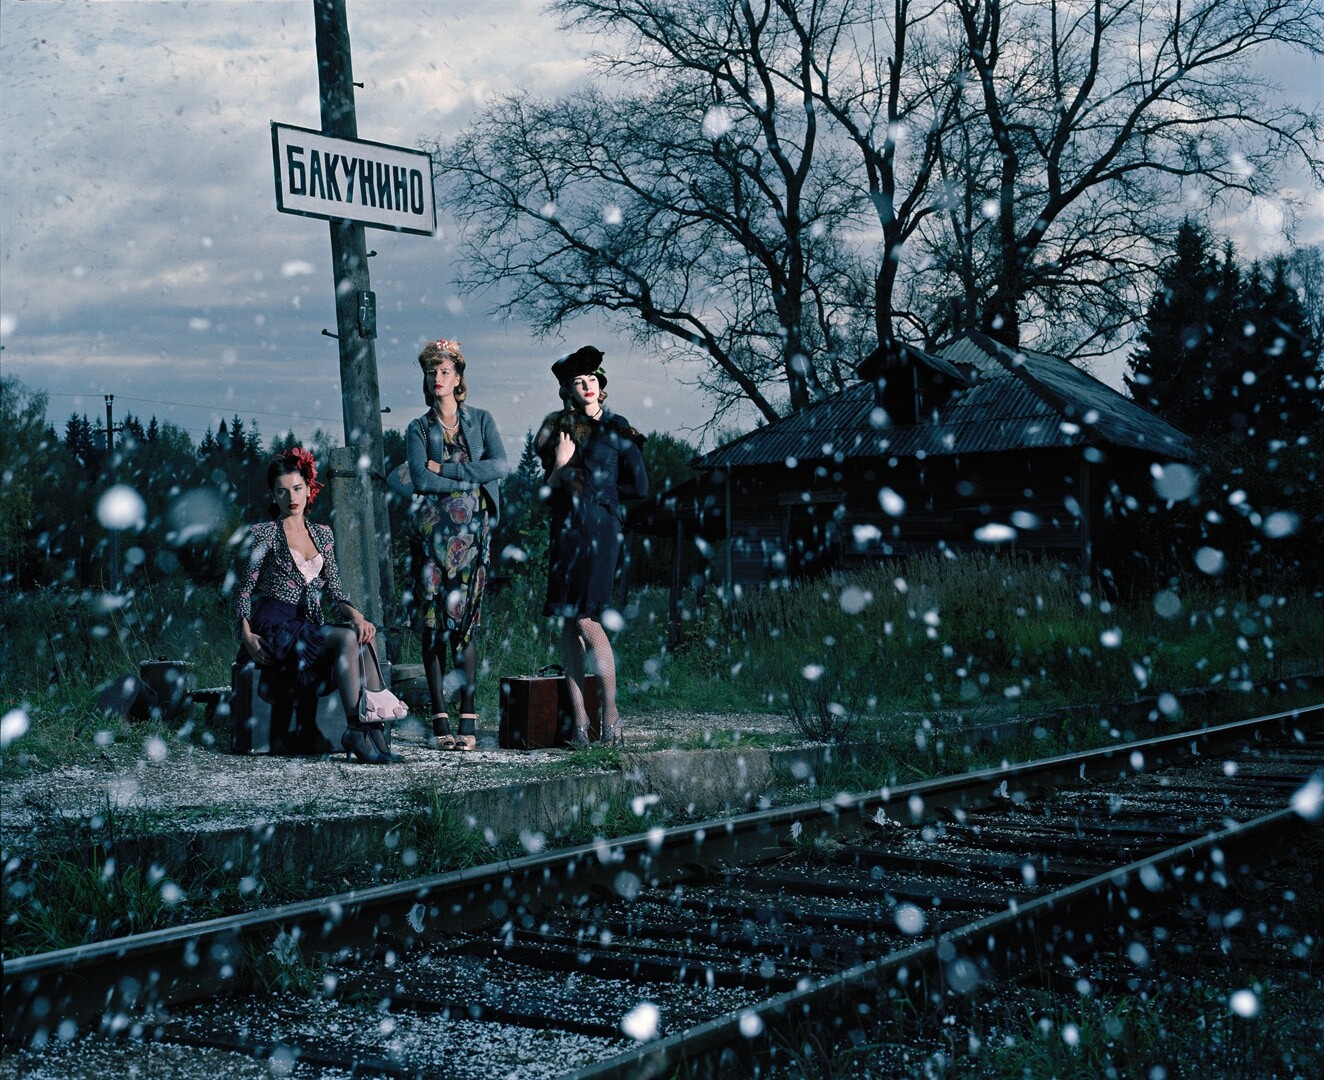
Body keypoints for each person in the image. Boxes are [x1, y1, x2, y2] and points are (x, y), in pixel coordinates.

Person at [235, 447, 404, 765]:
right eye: (282, 491)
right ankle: (356, 731)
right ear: (273, 495)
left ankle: (376, 732)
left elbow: (335, 590)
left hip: (307, 624)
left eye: (297, 488)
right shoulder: (264, 534)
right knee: (345, 638)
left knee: (362, 636)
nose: (291, 497)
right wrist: (246, 635)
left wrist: (358, 616)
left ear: (308, 489)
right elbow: (244, 590)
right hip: (275, 625)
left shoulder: (323, 535)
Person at [535, 346, 648, 748]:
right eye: (578, 382)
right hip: (566, 532)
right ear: (567, 390)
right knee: (568, 621)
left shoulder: (618, 430)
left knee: (587, 618)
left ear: (601, 384)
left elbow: (640, 486)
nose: (586, 386)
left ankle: (611, 715)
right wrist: (560, 462)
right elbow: (546, 494)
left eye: (592, 380)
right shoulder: (559, 432)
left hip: (601, 532)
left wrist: (603, 499)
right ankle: (580, 723)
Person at [405, 338, 509, 751]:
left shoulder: (481, 420)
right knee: (433, 623)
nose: (438, 377)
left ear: (458, 377)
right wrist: (468, 478)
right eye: (432, 371)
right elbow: (420, 478)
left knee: (464, 623)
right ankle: (439, 718)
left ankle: (468, 715)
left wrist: (447, 469)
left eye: (445, 371)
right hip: (432, 536)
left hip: (472, 537)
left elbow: (499, 465)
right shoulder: (418, 428)